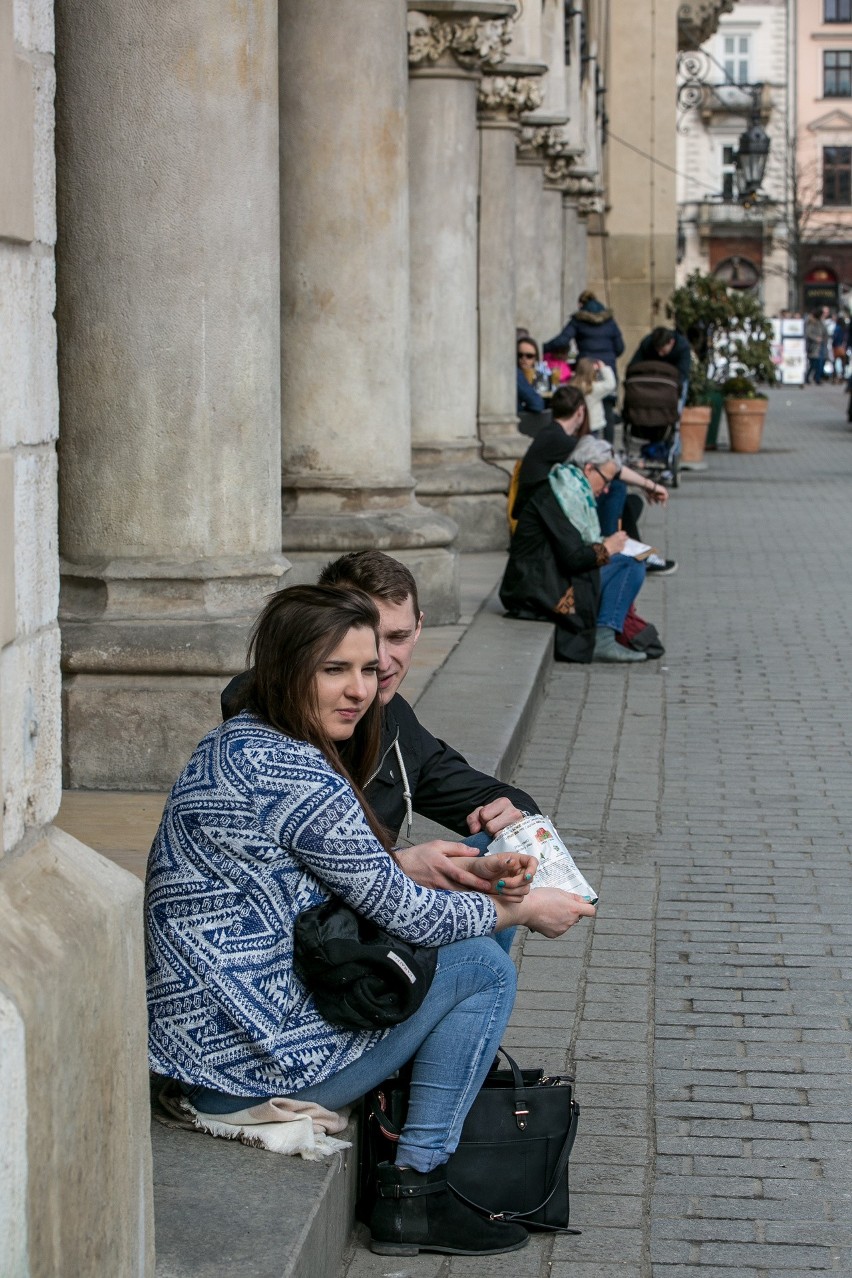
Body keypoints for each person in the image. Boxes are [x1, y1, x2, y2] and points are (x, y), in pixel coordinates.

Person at [146, 585, 595, 1257]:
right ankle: (417, 1188)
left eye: (366, 669)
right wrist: (523, 908)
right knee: (483, 968)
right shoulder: (299, 776)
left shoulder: (238, 743)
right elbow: (407, 912)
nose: (358, 689)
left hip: (212, 1046)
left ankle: (406, 1117)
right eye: (335, 670)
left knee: (473, 876)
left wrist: (458, 873)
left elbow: (353, 877)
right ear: (286, 670)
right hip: (245, 1071)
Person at [223, 551, 543, 896]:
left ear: (418, 628)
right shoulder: (262, 728)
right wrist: (403, 865)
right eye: (367, 637)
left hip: (367, 918)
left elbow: (485, 793)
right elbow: (281, 882)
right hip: (296, 930)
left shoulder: (393, 718)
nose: (383, 661)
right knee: (480, 933)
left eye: (398, 637)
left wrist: (514, 815)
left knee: (504, 861)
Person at [500, 436, 656, 664]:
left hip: (549, 573)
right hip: (536, 587)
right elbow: (573, 557)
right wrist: (606, 548)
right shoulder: (558, 496)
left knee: (629, 559)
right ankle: (603, 637)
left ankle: (607, 630)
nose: (605, 490)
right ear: (589, 469)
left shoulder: (570, 491)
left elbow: (575, 546)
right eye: (605, 481)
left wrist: (608, 546)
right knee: (629, 563)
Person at [512, 385, 676, 576]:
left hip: (543, 508)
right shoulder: (558, 439)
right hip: (540, 515)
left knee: (632, 503)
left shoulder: (550, 434)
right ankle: (610, 552)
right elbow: (613, 469)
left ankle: (637, 552)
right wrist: (651, 485)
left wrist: (646, 487)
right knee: (616, 488)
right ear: (581, 410)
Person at [544, 291, 624, 441]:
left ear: (581, 304)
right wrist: (606, 360)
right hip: (605, 369)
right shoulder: (609, 321)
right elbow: (620, 347)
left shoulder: (578, 320)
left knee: (586, 403)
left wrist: (543, 348)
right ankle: (608, 448)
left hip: (587, 368)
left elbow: (563, 340)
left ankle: (586, 439)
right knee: (606, 406)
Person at [628, 326, 691, 412]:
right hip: (652, 379)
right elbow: (634, 365)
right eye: (657, 350)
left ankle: (676, 416)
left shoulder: (682, 347)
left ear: (671, 342)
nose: (660, 354)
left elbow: (682, 373)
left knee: (682, 387)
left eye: (663, 350)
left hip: (672, 380)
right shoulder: (647, 343)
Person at [517, 335, 546, 413]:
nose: (524, 359)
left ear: (536, 358)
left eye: (529, 356)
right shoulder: (516, 375)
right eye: (520, 355)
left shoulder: (540, 374)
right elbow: (537, 404)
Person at [805, 310, 826, 385]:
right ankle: (808, 377)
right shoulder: (812, 322)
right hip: (813, 346)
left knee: (819, 363)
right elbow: (808, 333)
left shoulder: (821, 322)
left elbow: (824, 332)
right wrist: (816, 338)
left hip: (820, 346)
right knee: (814, 364)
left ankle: (817, 378)